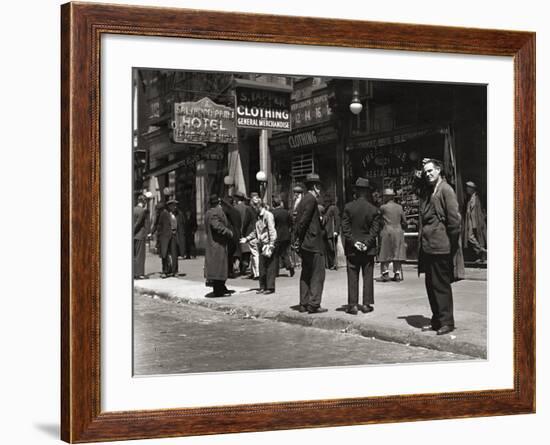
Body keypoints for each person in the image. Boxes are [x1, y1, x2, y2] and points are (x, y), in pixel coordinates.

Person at [418, 159, 463, 336]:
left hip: (441, 246)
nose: (428, 174)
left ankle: (447, 322)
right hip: (429, 247)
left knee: (441, 285)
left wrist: (451, 244)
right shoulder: (430, 190)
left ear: (439, 170)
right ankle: (436, 320)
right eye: (426, 172)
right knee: (431, 285)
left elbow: (454, 220)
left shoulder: (446, 189)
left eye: (431, 171)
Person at [341, 178, 381, 315]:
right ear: (367, 191)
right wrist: (366, 243)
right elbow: (375, 230)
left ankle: (352, 305)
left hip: (352, 249)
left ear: (356, 191)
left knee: (352, 275)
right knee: (368, 275)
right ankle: (366, 304)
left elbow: (345, 229)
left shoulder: (348, 207)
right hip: (368, 249)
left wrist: (354, 242)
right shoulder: (373, 209)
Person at [293, 173, 327, 313]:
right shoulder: (312, 199)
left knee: (306, 273)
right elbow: (303, 221)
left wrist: (298, 240)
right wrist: (300, 237)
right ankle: (313, 304)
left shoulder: (302, 200)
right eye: (319, 187)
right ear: (314, 187)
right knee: (318, 274)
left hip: (305, 244)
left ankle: (303, 303)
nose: (320, 190)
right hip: (313, 243)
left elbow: (299, 220)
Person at [240, 197, 277, 294]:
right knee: (262, 267)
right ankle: (263, 286)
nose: (253, 209)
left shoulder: (268, 215)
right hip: (261, 243)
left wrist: (271, 244)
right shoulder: (257, 217)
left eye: (253, 207)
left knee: (269, 266)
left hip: (267, 244)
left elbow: (272, 230)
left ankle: (270, 287)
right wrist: (247, 238)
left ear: (258, 206)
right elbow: (255, 231)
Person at [204, 194, 234, 297]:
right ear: (219, 203)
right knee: (218, 268)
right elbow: (216, 226)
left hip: (217, 244)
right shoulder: (214, 213)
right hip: (217, 244)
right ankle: (218, 290)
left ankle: (221, 287)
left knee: (220, 267)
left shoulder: (209, 212)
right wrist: (228, 232)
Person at [378, 188, 407, 282]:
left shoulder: (383, 207)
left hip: (387, 230)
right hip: (398, 230)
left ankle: (385, 273)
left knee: (385, 251)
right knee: (397, 252)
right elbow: (404, 221)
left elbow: (378, 219)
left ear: (386, 197)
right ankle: (397, 273)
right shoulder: (399, 207)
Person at [463, 180, 487, 263]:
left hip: (477, 221)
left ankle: (482, 258)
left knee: (479, 238)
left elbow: (482, 209)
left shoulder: (477, 197)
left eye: (468, 188)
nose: (467, 189)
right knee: (470, 237)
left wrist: (483, 218)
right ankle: (481, 250)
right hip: (470, 221)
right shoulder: (469, 198)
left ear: (472, 189)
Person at [156, 198, 181, 278]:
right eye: (173, 205)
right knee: (164, 253)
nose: (175, 207)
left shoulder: (177, 214)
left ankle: (175, 271)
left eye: (175, 205)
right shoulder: (164, 213)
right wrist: (158, 235)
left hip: (173, 235)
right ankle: (165, 271)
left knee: (174, 254)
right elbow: (159, 225)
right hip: (165, 236)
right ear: (169, 206)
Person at [271, 196, 294, 277]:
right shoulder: (286, 212)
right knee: (284, 253)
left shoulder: (273, 213)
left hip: (277, 236)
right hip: (286, 235)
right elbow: (291, 223)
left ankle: (275, 272)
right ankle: (289, 266)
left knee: (275, 254)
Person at [233, 191, 255, 275]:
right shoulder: (247, 208)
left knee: (239, 249)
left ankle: (240, 264)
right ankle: (245, 263)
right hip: (247, 231)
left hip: (238, 230)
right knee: (247, 249)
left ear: (237, 198)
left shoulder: (235, 208)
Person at [221, 197, 242, 278]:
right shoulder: (236, 211)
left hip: (230, 234)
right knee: (234, 252)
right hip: (236, 233)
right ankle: (234, 269)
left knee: (228, 254)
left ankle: (229, 271)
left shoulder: (227, 212)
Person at [133, 194, 150, 279]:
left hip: (134, 236)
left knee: (134, 254)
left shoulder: (133, 209)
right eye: (145, 201)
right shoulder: (142, 211)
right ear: (143, 201)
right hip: (139, 235)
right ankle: (139, 273)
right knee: (140, 255)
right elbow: (138, 223)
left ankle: (134, 272)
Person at [324, 197, 341, 270]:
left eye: (326, 201)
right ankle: (331, 263)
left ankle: (334, 263)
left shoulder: (334, 208)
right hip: (327, 232)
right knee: (329, 248)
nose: (325, 203)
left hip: (332, 232)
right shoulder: (326, 209)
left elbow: (337, 219)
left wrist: (336, 231)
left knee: (332, 248)